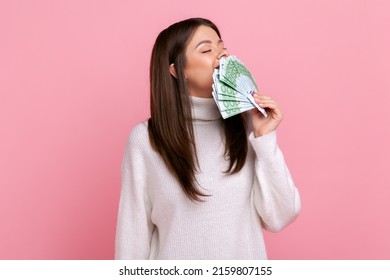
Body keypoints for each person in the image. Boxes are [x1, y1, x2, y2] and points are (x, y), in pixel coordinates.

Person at [115, 17, 301, 260]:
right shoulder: (145, 140)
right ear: (177, 70)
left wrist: (265, 138)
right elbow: (132, 237)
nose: (220, 56)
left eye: (222, 48)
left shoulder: (247, 127)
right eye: (206, 49)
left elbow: (280, 216)